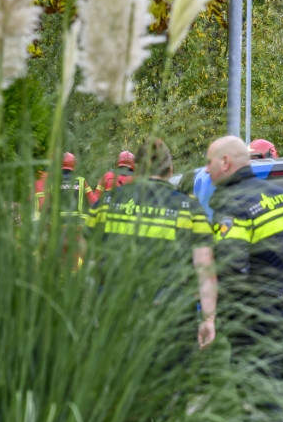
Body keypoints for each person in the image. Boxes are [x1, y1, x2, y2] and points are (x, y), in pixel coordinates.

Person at [87, 138, 217, 354]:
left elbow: (86, 256)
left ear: (136, 169)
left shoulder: (106, 204)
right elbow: (205, 270)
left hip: (113, 315)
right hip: (171, 317)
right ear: (171, 169)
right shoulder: (190, 209)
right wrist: (208, 318)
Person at [205, 135, 283, 383]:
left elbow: (230, 267)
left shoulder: (232, 204)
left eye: (209, 162)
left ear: (224, 163)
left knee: (259, 402)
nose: (206, 169)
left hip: (260, 322)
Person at [34, 153, 91, 219]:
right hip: (77, 223)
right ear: (75, 165)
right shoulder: (82, 181)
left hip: (57, 222)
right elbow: (93, 202)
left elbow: (43, 205)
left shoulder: (52, 181)